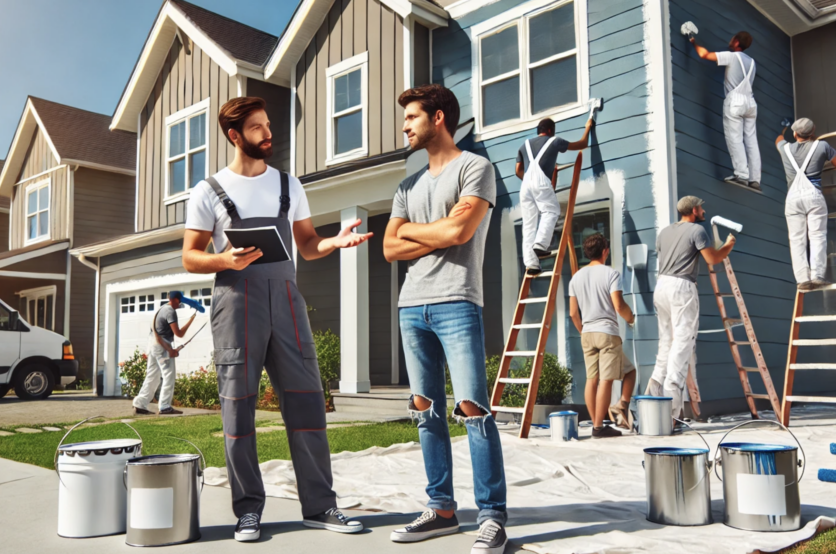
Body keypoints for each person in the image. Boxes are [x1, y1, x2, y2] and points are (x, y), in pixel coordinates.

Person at [182, 96, 370, 542]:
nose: (269, 135)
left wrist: (333, 242)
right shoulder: (208, 190)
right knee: (238, 410)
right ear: (234, 136)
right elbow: (191, 257)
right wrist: (225, 259)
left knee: (307, 404)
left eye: (269, 126)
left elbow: (306, 244)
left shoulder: (289, 184)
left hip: (287, 302)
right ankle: (248, 510)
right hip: (236, 304)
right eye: (258, 128)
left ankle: (321, 506)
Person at [383, 84, 508, 554]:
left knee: (473, 409)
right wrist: (435, 232)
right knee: (425, 414)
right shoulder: (406, 186)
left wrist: (418, 232)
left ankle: (492, 517)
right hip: (411, 305)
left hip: (457, 300)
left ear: (438, 118)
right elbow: (390, 247)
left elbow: (461, 230)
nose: (405, 126)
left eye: (412, 116)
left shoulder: (476, 167)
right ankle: (441, 510)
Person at [648, 196, 735, 419]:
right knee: (683, 343)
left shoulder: (664, 232)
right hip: (681, 286)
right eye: (701, 207)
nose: (703, 210)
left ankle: (654, 394)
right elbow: (712, 259)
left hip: (661, 286)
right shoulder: (697, 231)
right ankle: (673, 413)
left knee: (666, 341)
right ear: (694, 210)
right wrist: (728, 246)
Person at [568, 233, 637, 437]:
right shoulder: (611, 274)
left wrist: (583, 331)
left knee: (592, 379)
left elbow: (573, 313)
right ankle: (599, 427)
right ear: (605, 251)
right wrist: (631, 319)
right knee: (606, 380)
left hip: (587, 333)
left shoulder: (576, 277)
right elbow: (618, 305)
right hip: (607, 333)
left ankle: (598, 422)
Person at [515, 117, 594, 274]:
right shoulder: (554, 141)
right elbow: (582, 144)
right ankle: (541, 244)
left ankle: (531, 265)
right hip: (540, 181)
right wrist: (588, 127)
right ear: (550, 130)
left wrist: (532, 183)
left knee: (529, 224)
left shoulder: (525, 145)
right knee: (551, 211)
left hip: (525, 186)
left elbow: (518, 170)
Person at [775, 117, 836, 291]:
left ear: (795, 133)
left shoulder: (785, 149)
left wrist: (783, 130)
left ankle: (802, 280)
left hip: (793, 198)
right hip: (813, 195)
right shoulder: (822, 146)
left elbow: (778, 140)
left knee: (796, 240)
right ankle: (817, 276)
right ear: (813, 132)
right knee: (817, 236)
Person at [690, 31, 761, 191]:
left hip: (735, 101)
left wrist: (693, 41)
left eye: (732, 38)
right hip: (750, 102)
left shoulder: (732, 56)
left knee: (734, 137)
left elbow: (704, 54)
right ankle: (755, 179)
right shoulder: (752, 62)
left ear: (736, 42)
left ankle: (742, 175)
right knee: (751, 141)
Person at [132, 291, 195, 415]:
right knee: (169, 375)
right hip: (161, 346)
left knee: (153, 375)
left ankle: (140, 403)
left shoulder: (160, 309)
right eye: (180, 301)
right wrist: (191, 320)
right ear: (176, 300)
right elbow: (179, 334)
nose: (180, 304)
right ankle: (165, 406)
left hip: (153, 345)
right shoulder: (170, 311)